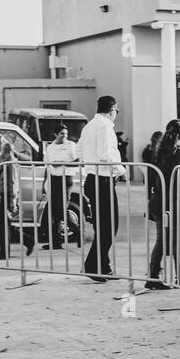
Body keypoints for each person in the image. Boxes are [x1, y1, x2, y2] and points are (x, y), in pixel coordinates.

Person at [78, 96, 126, 280]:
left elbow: (79, 151)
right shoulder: (105, 126)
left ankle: (103, 266)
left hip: (92, 178)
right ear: (112, 109)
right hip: (103, 179)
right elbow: (106, 154)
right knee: (109, 227)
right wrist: (121, 170)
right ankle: (92, 265)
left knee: (102, 226)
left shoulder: (89, 126)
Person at [146, 119, 180, 290]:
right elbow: (179, 179)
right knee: (177, 242)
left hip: (158, 202)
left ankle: (154, 276)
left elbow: (150, 178)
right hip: (173, 202)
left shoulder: (157, 151)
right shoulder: (177, 153)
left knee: (162, 241)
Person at [0, 139, 35, 261]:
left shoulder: (9, 162)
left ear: (5, 150)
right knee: (6, 224)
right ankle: (27, 240)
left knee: (3, 225)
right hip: (7, 194)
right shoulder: (7, 160)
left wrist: (12, 200)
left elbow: (11, 181)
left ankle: (4, 252)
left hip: (8, 194)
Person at [40, 127, 78, 248]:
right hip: (54, 179)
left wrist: (61, 163)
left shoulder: (71, 145)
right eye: (61, 134)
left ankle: (78, 232)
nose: (64, 136)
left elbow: (78, 161)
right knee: (52, 210)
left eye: (66, 134)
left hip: (66, 178)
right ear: (56, 134)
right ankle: (55, 242)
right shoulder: (50, 147)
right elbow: (48, 166)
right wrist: (44, 183)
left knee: (61, 209)